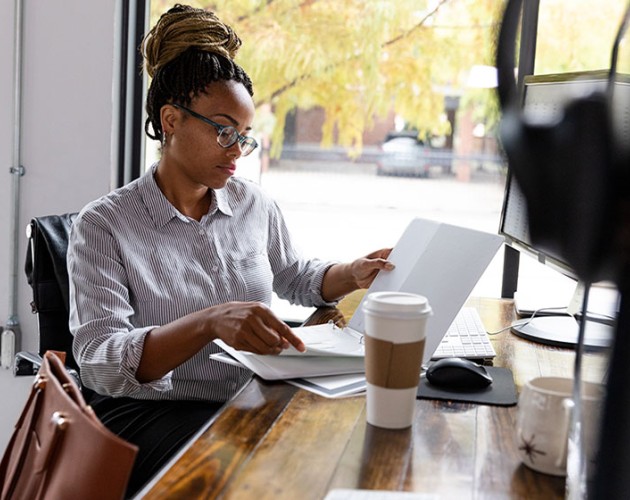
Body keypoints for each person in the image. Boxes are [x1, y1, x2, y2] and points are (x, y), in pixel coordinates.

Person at [67, 4, 393, 497]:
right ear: (170, 120)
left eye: (244, 135)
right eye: (223, 131)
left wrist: (353, 272)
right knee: (269, 472)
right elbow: (99, 359)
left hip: (247, 394)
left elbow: (295, 275)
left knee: (345, 442)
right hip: (154, 413)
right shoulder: (104, 226)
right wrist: (208, 322)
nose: (237, 148)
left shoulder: (251, 203)